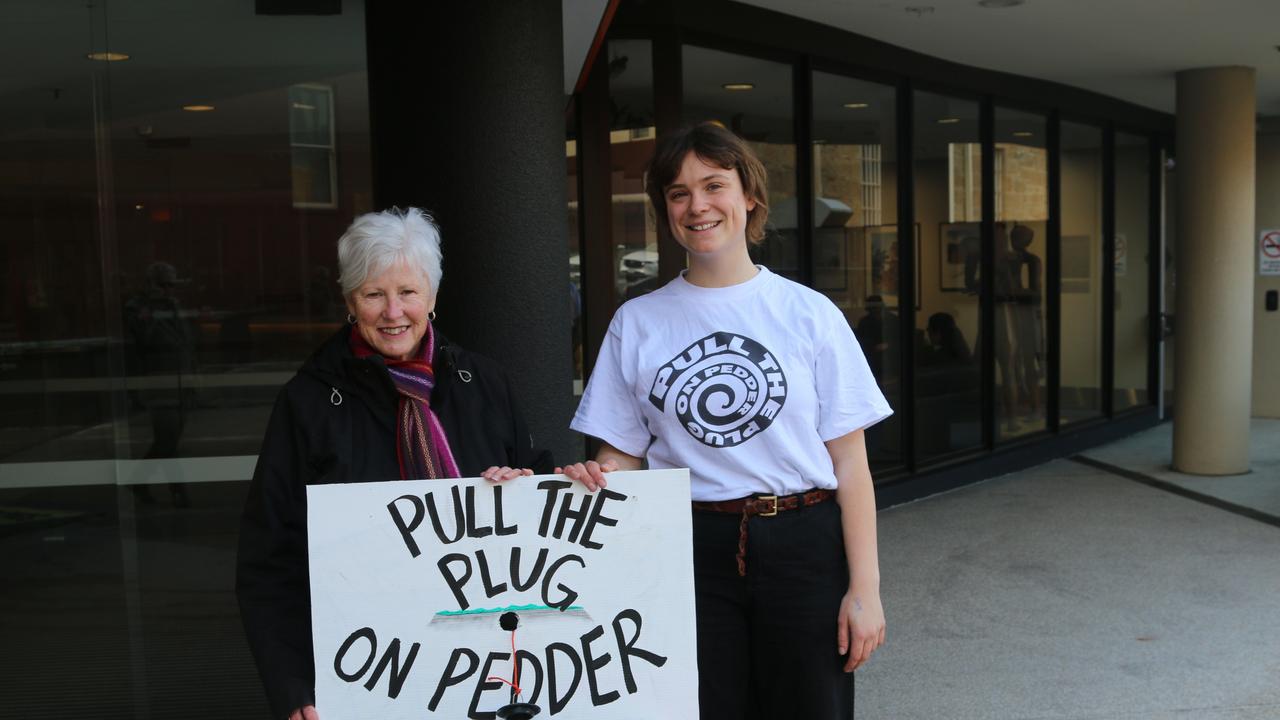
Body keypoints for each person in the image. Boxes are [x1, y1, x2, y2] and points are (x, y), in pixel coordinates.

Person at [562, 122, 892, 719]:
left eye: (714, 185)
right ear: (666, 210)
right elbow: (622, 456)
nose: (697, 205)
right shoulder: (638, 322)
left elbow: (852, 465)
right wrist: (598, 476)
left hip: (803, 542)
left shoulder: (807, 314)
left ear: (748, 197)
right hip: (687, 545)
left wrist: (864, 589)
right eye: (679, 192)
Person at [235, 207, 553, 720]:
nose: (392, 311)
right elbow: (269, 563)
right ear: (349, 302)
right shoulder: (308, 402)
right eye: (373, 294)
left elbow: (539, 502)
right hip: (369, 670)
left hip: (486, 666)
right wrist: (293, 689)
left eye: (407, 291)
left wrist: (523, 487)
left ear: (432, 295)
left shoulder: (486, 383)